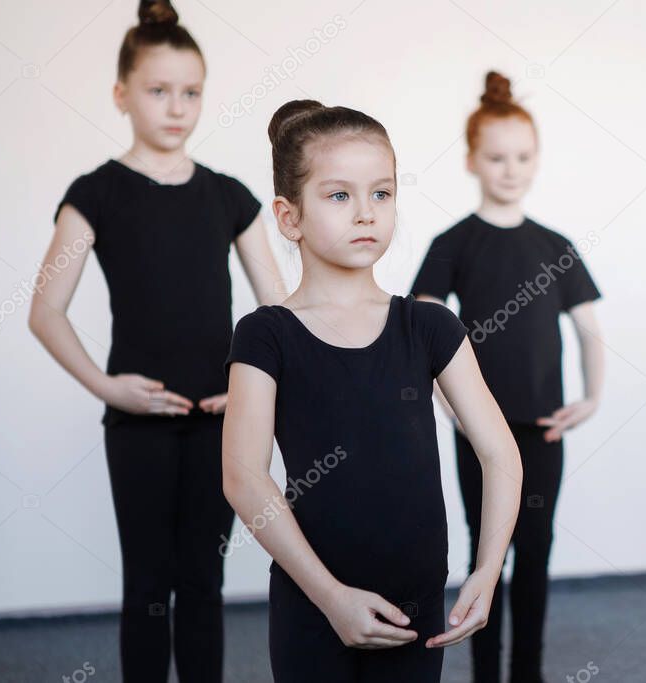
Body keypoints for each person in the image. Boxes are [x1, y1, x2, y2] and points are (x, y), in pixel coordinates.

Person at [221, 98, 523, 683]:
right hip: (313, 600)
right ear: (289, 217)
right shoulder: (265, 335)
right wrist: (331, 597)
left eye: (381, 194)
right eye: (339, 196)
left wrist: (487, 571)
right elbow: (243, 477)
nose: (366, 213)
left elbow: (499, 452)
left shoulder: (431, 327)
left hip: (417, 604)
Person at [28, 2, 283, 680]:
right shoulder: (95, 194)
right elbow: (46, 309)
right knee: (147, 585)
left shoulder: (230, 197)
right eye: (159, 90)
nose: (178, 107)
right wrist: (109, 387)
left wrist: (246, 391)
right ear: (122, 94)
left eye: (192, 92)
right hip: (137, 423)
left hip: (217, 422)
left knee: (203, 579)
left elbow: (278, 315)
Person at [411, 70, 605, 683]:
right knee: (484, 555)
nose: (511, 168)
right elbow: (420, 323)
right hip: (480, 433)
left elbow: (589, 330)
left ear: (536, 159)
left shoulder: (556, 245)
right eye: (497, 157)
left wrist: (592, 397)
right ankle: (485, 675)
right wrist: (447, 401)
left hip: (543, 429)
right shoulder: (453, 243)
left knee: (536, 554)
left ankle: (529, 674)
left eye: (522, 157)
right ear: (472, 160)